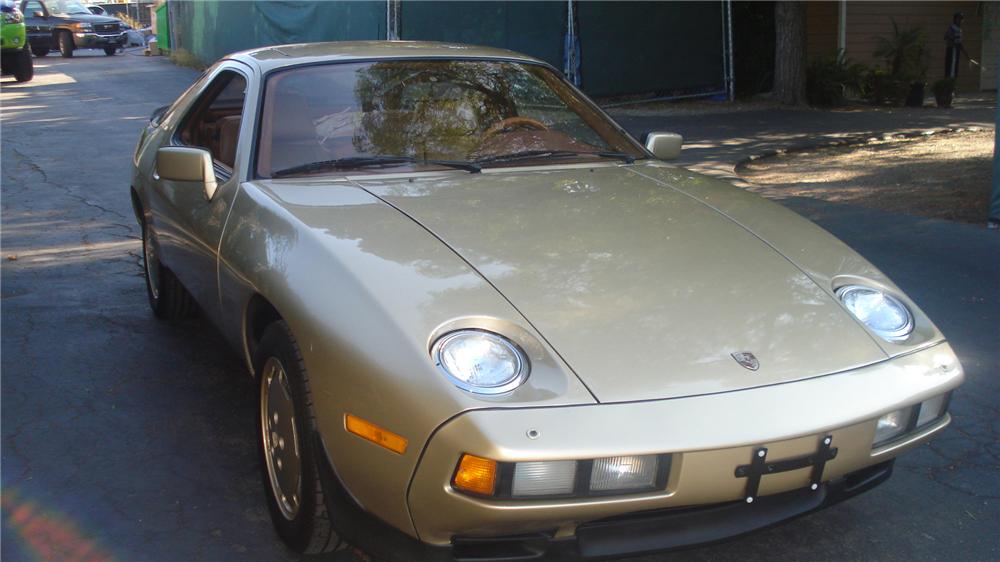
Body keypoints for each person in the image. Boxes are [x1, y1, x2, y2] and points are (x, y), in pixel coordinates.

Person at [944, 12, 977, 79]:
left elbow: (959, 43)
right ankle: (949, 86)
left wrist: (967, 56)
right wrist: (953, 43)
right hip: (952, 50)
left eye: (961, 19)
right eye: (959, 19)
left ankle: (951, 86)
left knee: (954, 69)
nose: (960, 21)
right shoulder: (952, 28)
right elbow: (946, 38)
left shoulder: (959, 29)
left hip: (956, 51)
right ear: (955, 19)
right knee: (951, 70)